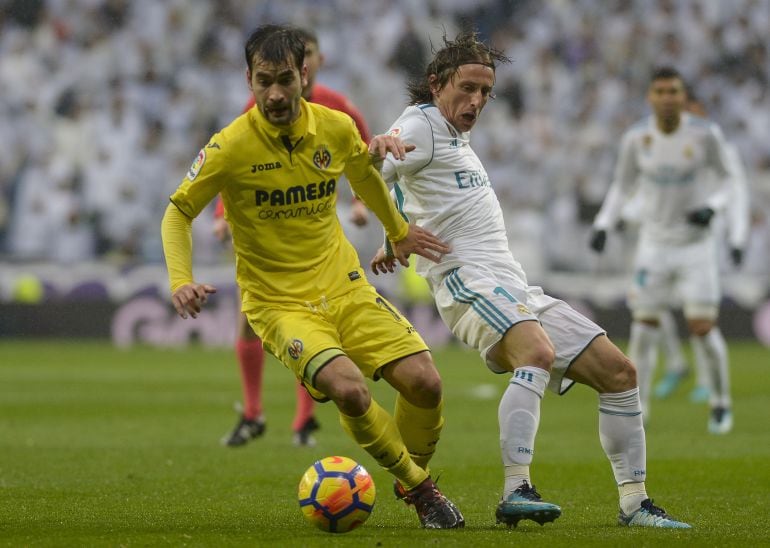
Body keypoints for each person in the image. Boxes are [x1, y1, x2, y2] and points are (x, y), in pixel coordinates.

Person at [370, 31, 690, 529]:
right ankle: (516, 488)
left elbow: (410, 189)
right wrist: (393, 225)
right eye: (467, 87)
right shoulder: (421, 124)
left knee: (619, 373)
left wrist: (395, 233)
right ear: (436, 84)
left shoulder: (454, 133)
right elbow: (371, 171)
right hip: (466, 281)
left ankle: (635, 503)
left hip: (513, 286)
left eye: (485, 92)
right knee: (536, 352)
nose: (476, 101)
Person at [161, 24, 464, 529]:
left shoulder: (337, 127)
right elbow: (177, 212)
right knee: (350, 391)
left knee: (426, 384)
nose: (275, 93)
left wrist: (398, 230)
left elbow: (364, 176)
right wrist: (179, 279)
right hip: (280, 305)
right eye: (263, 82)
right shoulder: (229, 147)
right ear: (249, 80)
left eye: (284, 79)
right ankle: (422, 489)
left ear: (304, 75)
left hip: (344, 286)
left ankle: (409, 471)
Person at [213, 27, 373, 448]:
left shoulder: (338, 109)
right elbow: (232, 162)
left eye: (316, 55)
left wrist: (359, 203)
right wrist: (220, 213)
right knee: (248, 321)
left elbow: (365, 158)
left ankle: (302, 420)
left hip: (318, 229)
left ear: (312, 64)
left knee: (313, 326)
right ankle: (253, 413)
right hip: (267, 233)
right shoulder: (264, 104)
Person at [590, 67, 740, 435]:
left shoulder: (705, 135)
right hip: (653, 245)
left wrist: (715, 207)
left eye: (674, 91)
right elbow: (621, 186)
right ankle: (639, 407)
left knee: (702, 327)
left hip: (694, 247)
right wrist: (603, 223)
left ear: (683, 97)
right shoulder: (637, 139)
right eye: (660, 91)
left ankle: (720, 401)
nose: (668, 97)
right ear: (650, 98)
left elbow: (727, 178)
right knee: (644, 327)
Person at [651, 85, 750, 405]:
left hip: (709, 241)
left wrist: (738, 237)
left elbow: (737, 193)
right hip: (668, 237)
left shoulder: (721, 149)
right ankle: (677, 364)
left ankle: (707, 380)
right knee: (653, 302)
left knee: (701, 314)